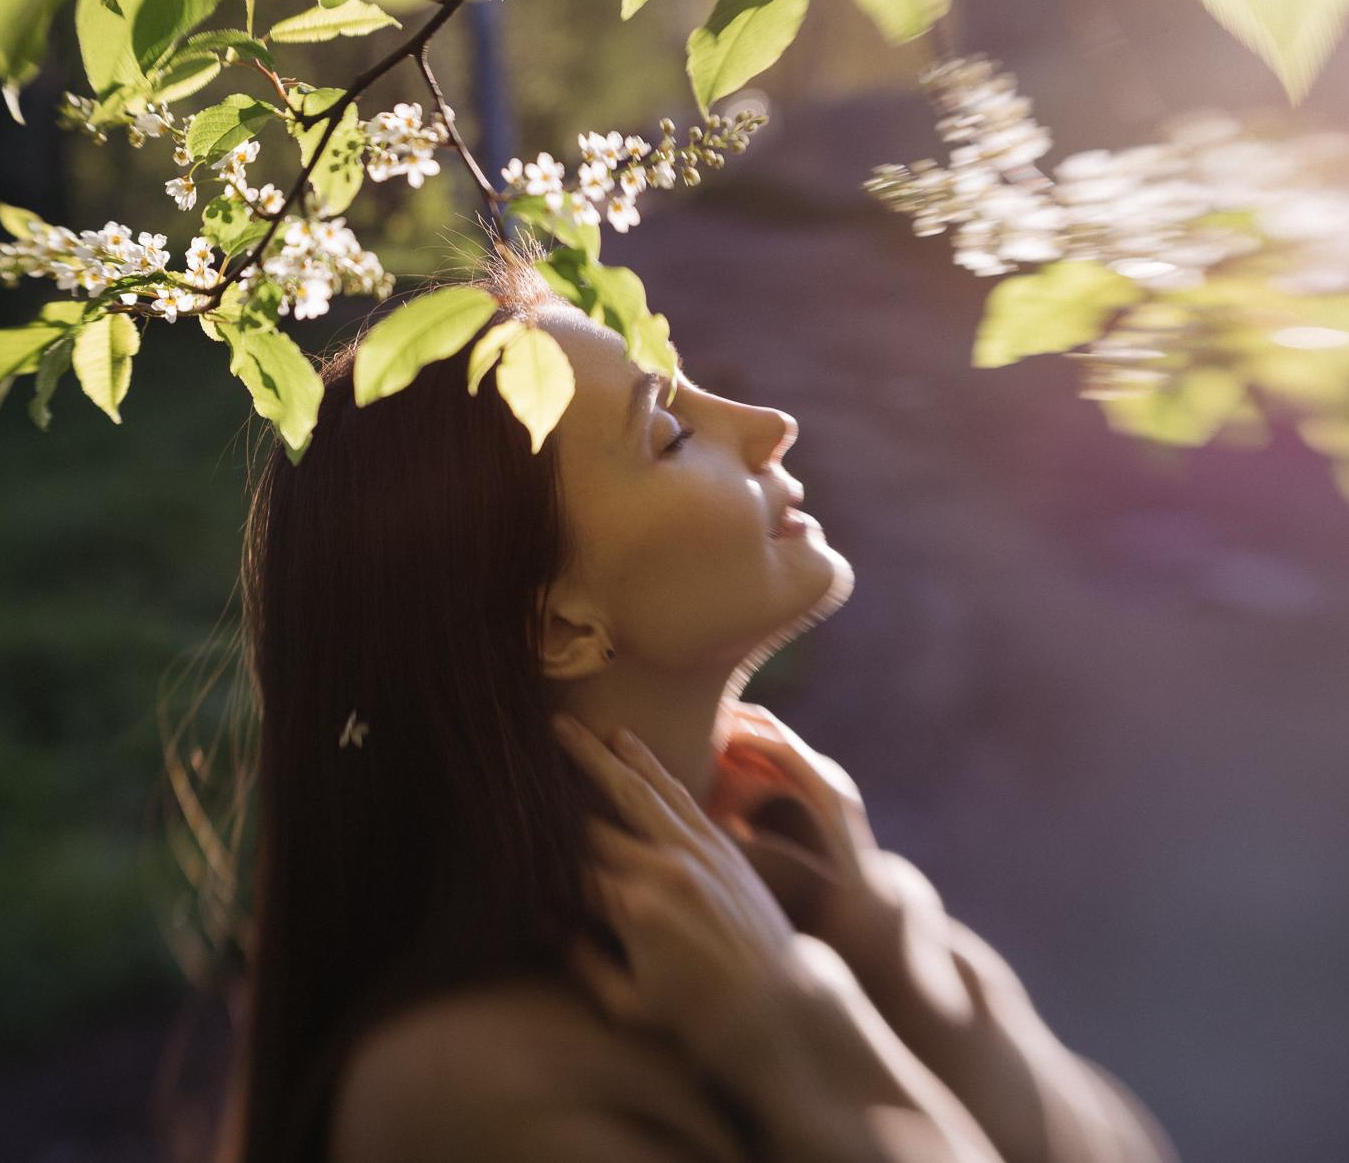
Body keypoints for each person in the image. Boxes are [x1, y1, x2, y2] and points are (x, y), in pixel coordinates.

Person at [219, 244, 1173, 1162]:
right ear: (559, 625)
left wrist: (889, 941)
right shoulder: (473, 1089)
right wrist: (795, 1034)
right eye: (669, 432)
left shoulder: (798, 896)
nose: (770, 422)